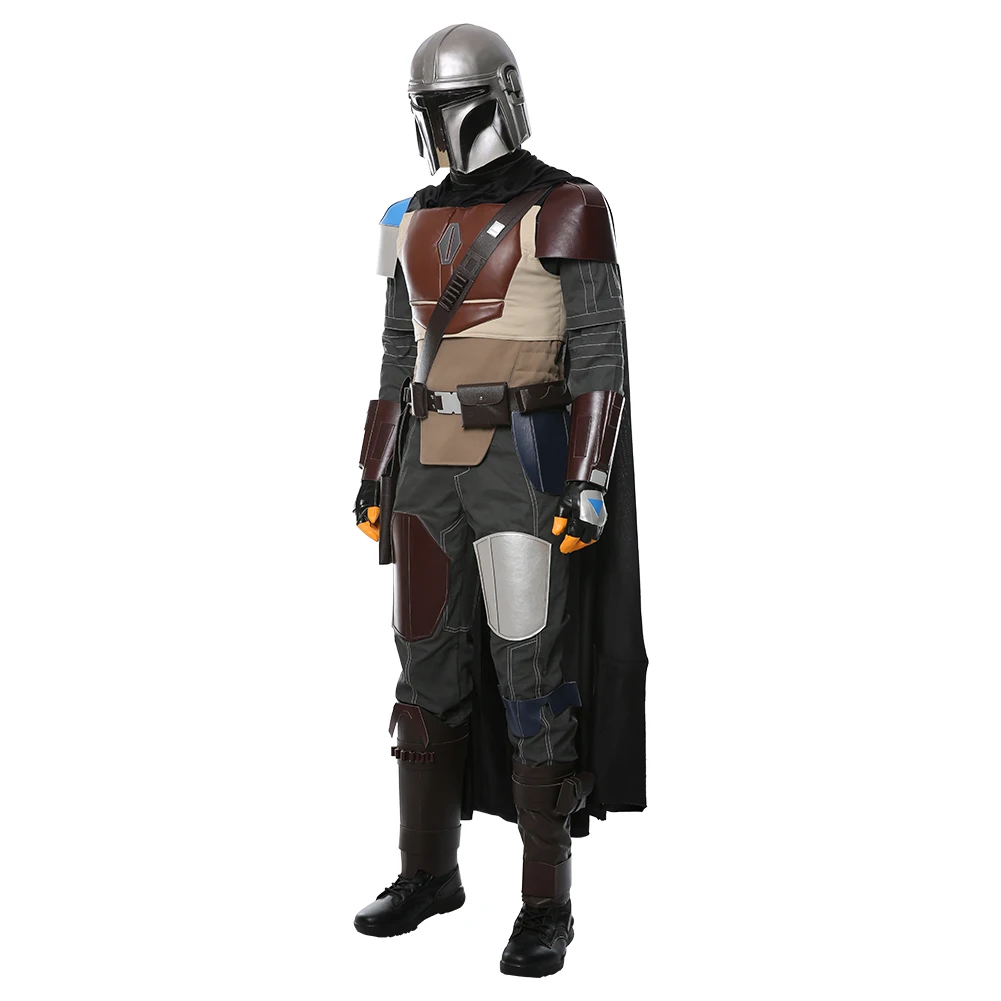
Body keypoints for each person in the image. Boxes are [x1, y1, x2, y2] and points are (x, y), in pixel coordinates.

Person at [352, 23, 647, 978]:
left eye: (457, 105)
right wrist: (373, 467)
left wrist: (588, 478)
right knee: (423, 665)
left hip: (521, 461)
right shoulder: (403, 215)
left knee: (533, 673)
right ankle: (427, 872)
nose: (448, 124)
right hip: (426, 467)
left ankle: (545, 902)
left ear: (499, 99)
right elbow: (399, 352)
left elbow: (599, 350)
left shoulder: (567, 204)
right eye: (433, 109)